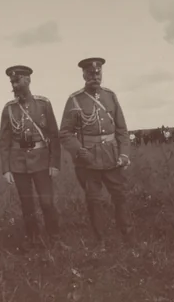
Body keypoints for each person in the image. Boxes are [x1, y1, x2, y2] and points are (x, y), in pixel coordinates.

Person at [58, 57, 134, 245]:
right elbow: (65, 133)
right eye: (90, 73)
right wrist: (79, 151)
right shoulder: (75, 100)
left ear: (101, 73)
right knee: (94, 201)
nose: (94, 76)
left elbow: (122, 129)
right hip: (88, 160)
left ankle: (127, 235)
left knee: (120, 196)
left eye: (97, 73)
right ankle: (100, 240)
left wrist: (124, 154)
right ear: (83, 75)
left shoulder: (110, 96)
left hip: (112, 157)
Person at [0, 65, 62, 248]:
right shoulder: (9, 109)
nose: (15, 85)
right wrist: (6, 168)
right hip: (18, 163)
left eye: (18, 81)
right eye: (12, 82)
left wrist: (55, 163)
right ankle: (33, 238)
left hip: (42, 160)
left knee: (47, 202)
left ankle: (54, 237)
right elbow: (4, 141)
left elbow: (54, 135)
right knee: (27, 204)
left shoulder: (43, 104)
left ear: (28, 80)